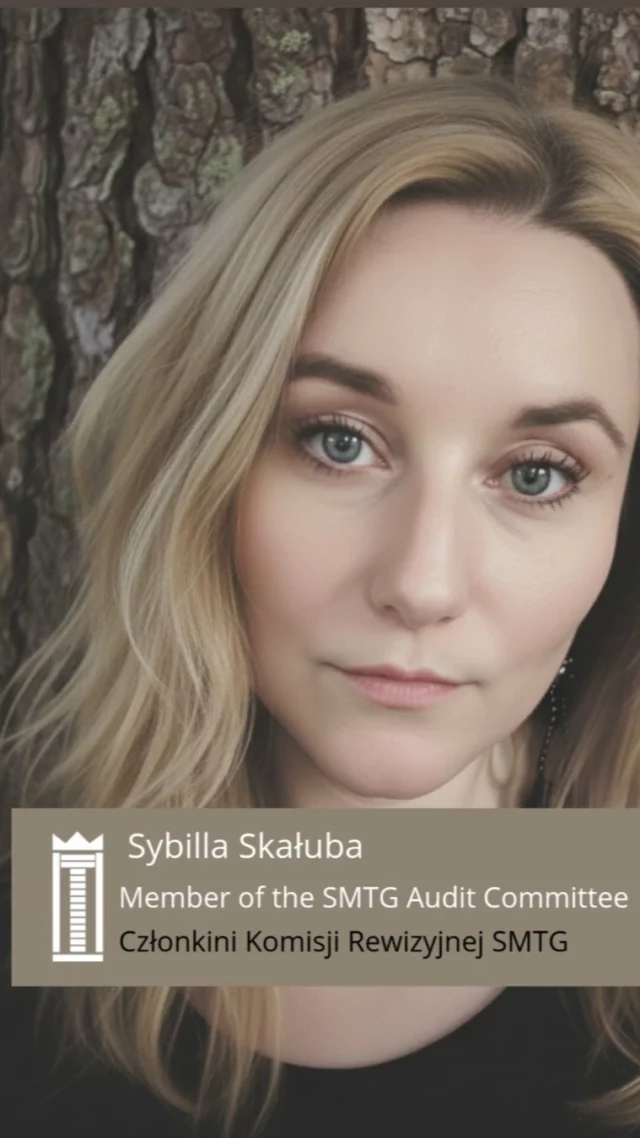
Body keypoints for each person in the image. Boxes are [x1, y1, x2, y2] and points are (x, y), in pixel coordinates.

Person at [1, 72, 640, 1138]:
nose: (422, 583)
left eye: (536, 474)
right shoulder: (63, 906)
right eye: (338, 442)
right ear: (204, 465)